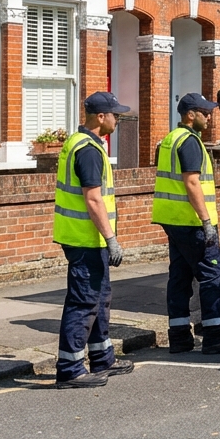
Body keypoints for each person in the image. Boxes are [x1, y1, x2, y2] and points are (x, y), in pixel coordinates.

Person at [53, 92, 135, 389]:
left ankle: (102, 358)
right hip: (85, 239)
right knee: (84, 300)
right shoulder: (87, 149)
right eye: (115, 114)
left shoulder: (84, 143)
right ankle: (70, 368)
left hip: (87, 239)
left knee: (100, 297)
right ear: (101, 117)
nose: (118, 119)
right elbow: (93, 199)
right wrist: (111, 238)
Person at [154, 93, 220, 355]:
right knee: (213, 275)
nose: (210, 116)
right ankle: (214, 336)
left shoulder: (170, 139)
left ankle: (179, 337)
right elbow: (191, 183)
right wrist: (206, 221)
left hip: (172, 220)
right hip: (192, 222)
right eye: (205, 112)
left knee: (180, 278)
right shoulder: (190, 142)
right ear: (191, 115)